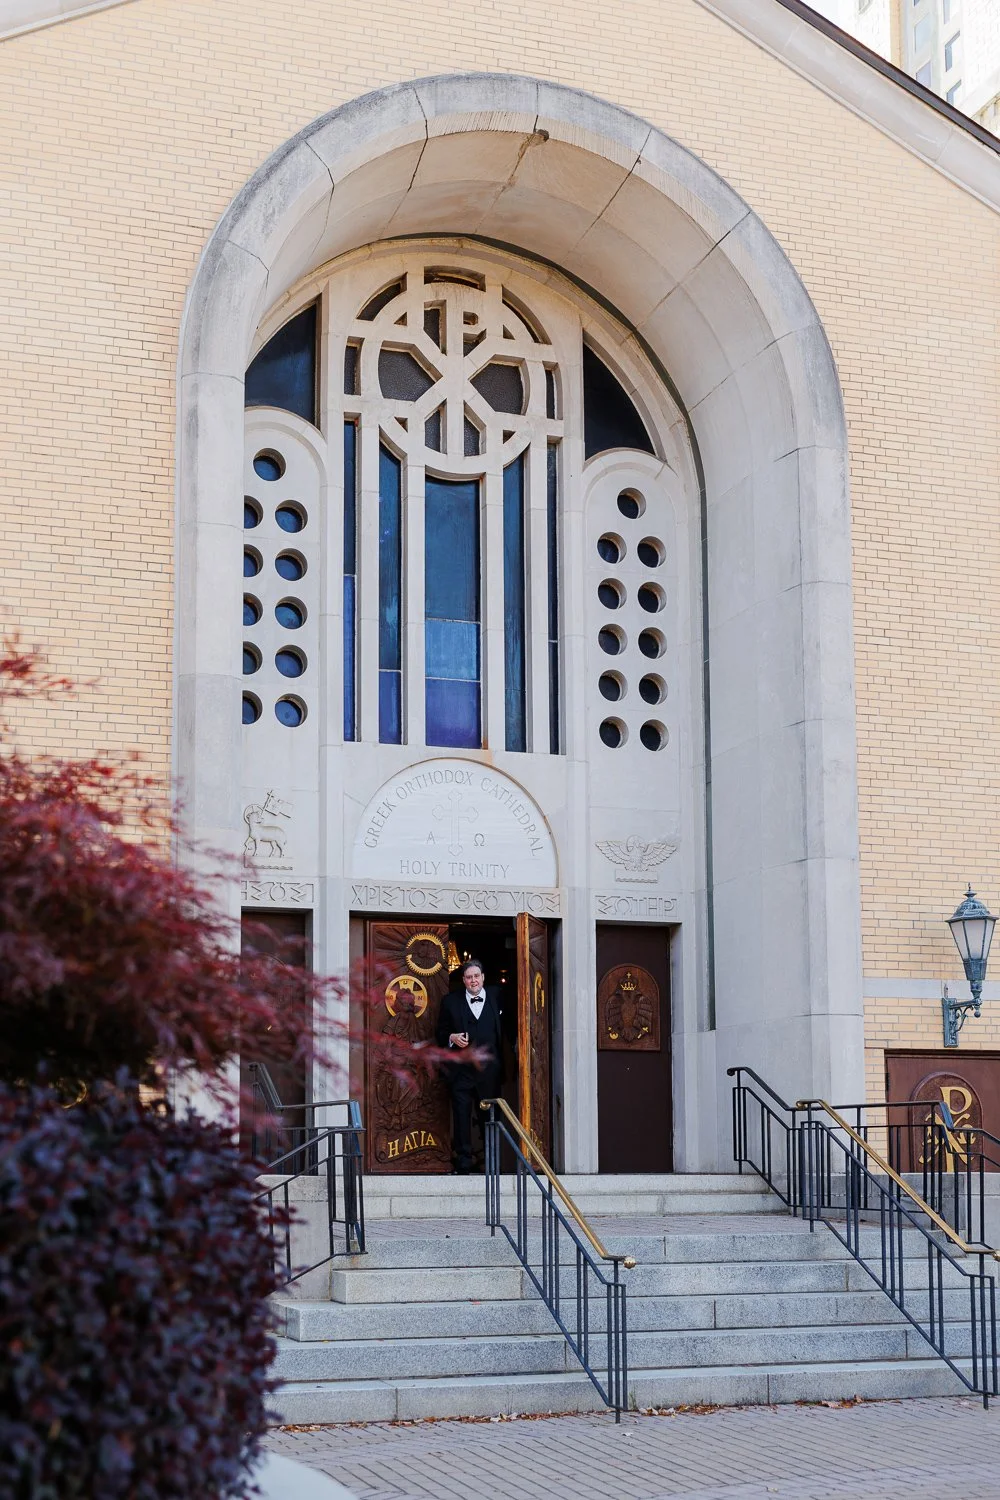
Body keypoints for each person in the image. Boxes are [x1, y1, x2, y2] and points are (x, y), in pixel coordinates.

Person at [435, 958, 503, 1174]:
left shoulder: (498, 997)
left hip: (488, 1072)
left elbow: (509, 1028)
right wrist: (452, 1037)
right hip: (461, 1072)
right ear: (463, 980)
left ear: (482, 977)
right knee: (461, 1117)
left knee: (490, 1117)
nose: (473, 980)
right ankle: (463, 1162)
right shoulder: (450, 1002)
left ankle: (492, 1163)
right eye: (468, 977)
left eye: (476, 976)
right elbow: (440, 1033)